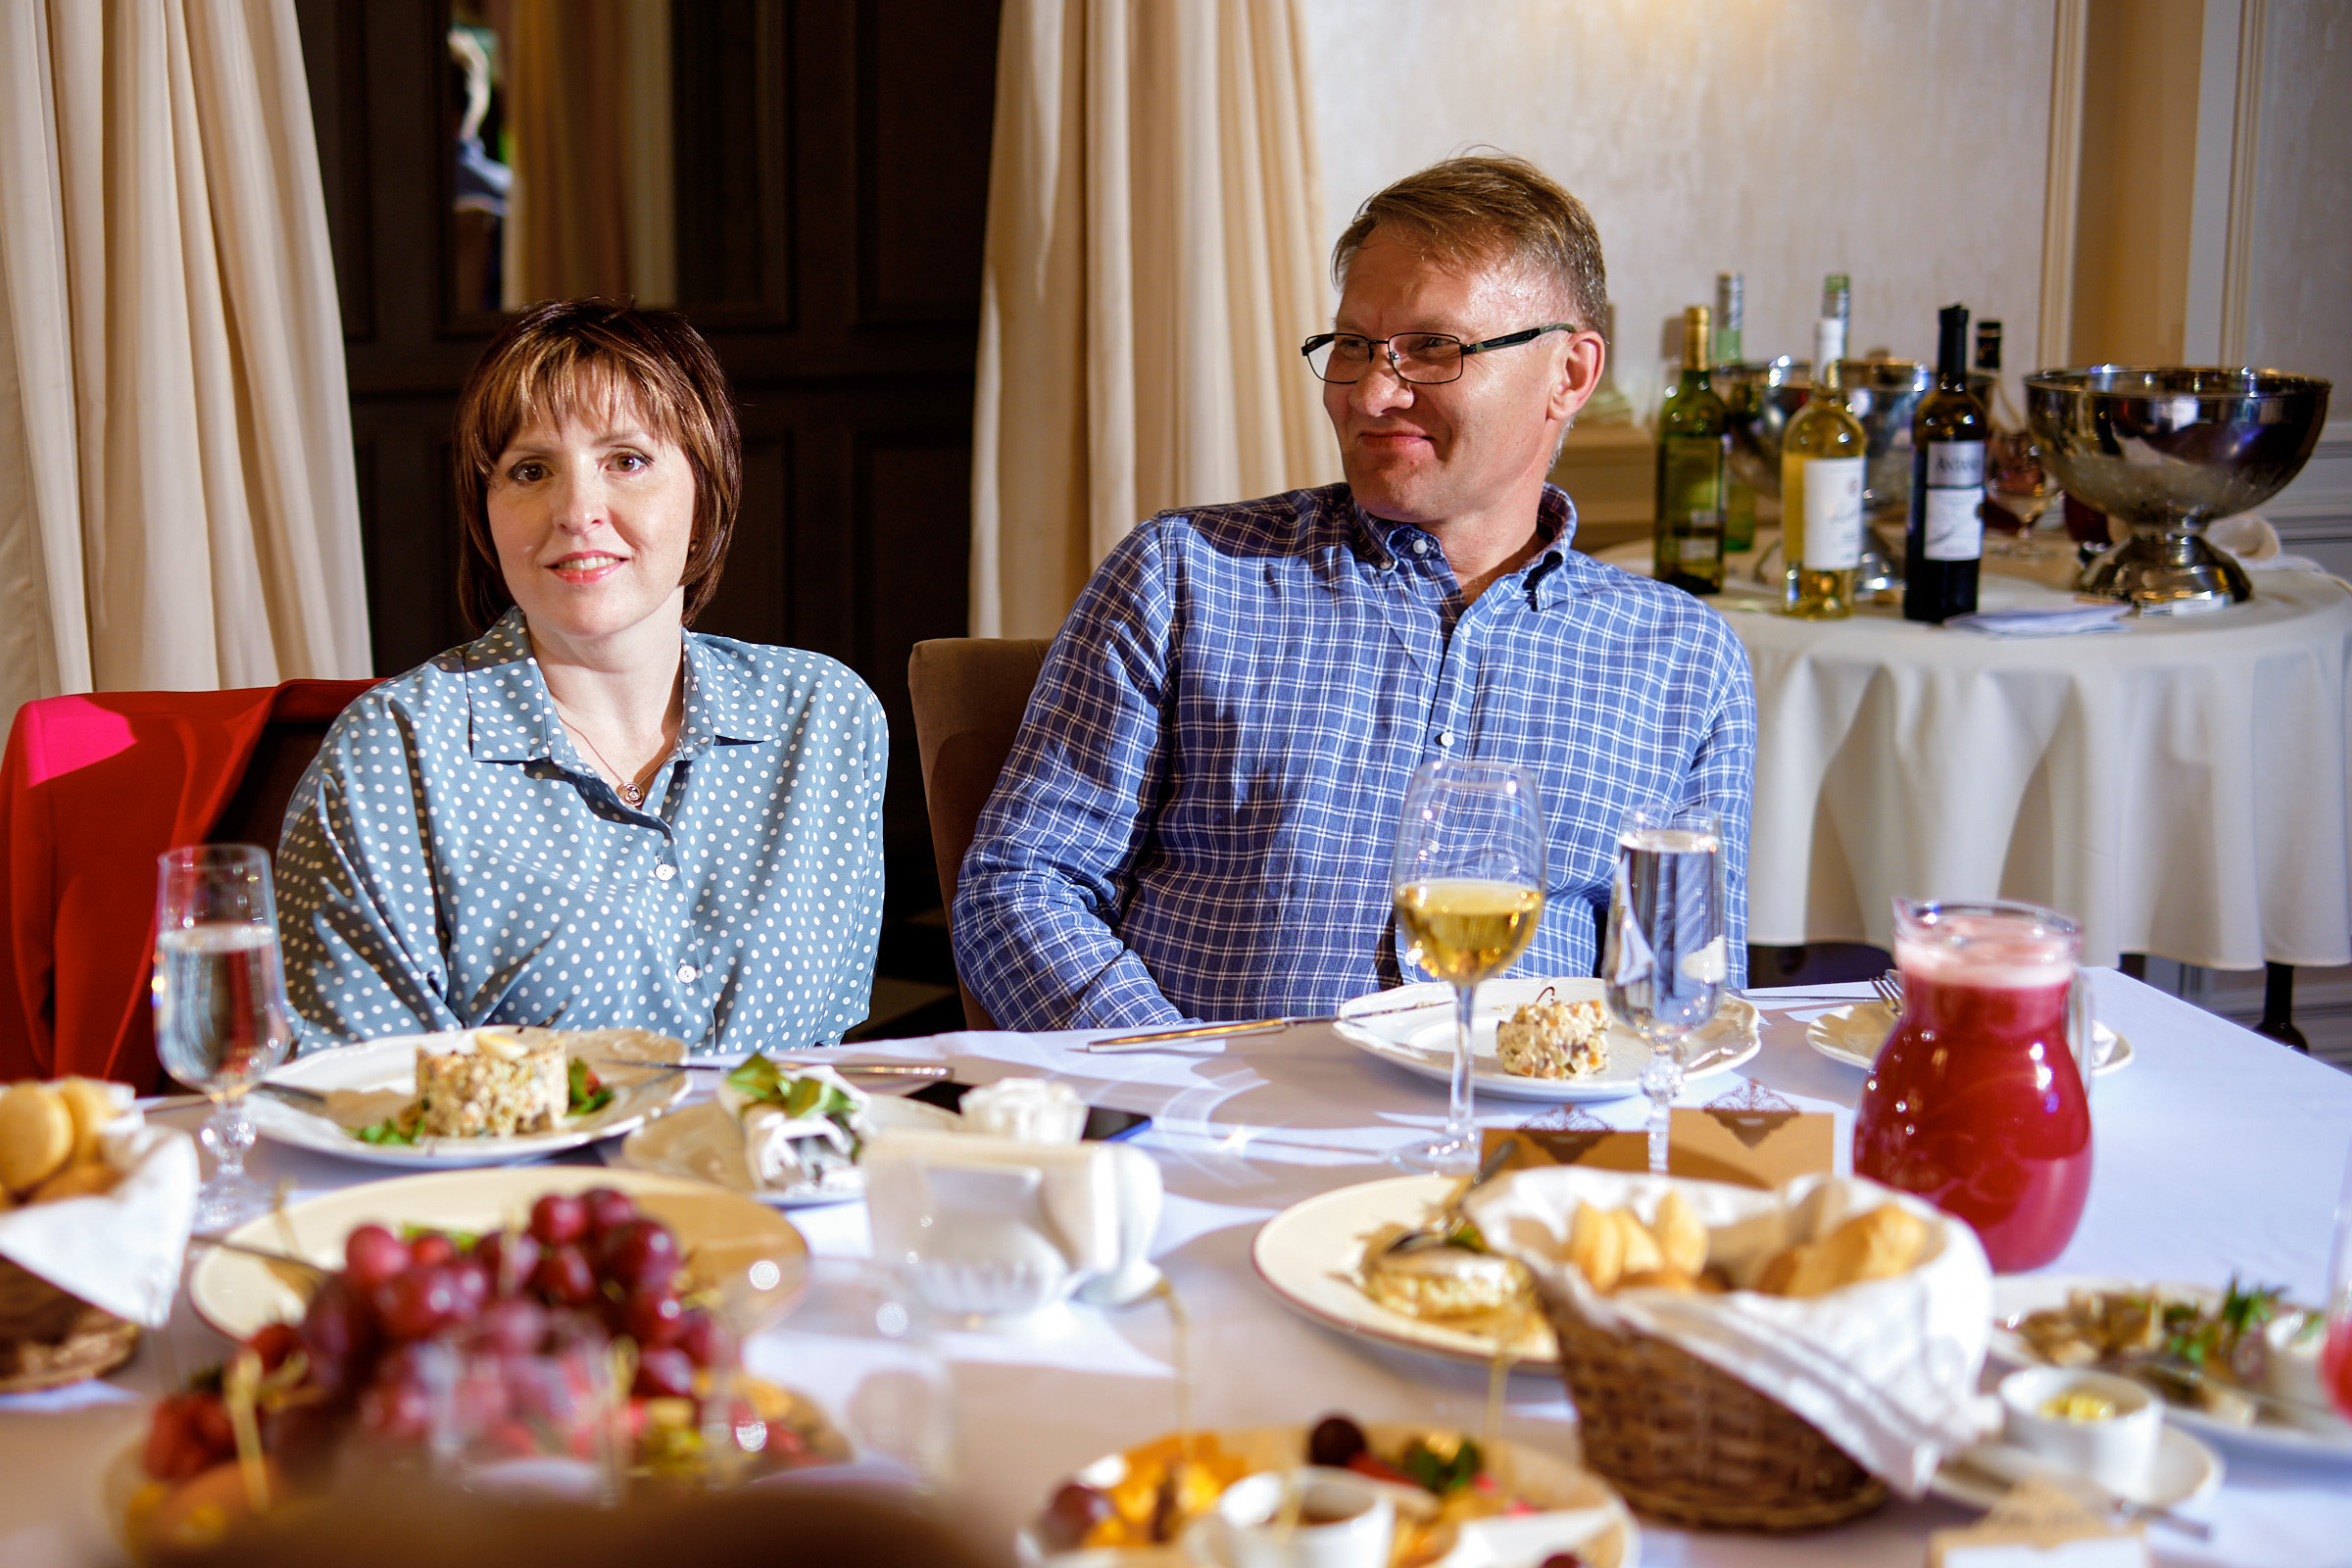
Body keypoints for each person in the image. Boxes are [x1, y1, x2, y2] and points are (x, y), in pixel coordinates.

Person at [953, 155, 1755, 1030]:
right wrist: (1183, 1085)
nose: (1373, 393)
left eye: (1433, 350)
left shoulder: (1684, 659)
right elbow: (1019, 887)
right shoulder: (1186, 574)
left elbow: (1685, 996)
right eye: (1354, 347)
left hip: (1524, 1139)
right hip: (1210, 1138)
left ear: (1569, 375)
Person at [277, 300, 886, 1054]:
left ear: (707, 488)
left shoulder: (825, 718)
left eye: (626, 460)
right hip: (511, 1174)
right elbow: (363, 1094)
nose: (577, 510)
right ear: (486, 514)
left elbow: (825, 1053)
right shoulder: (391, 757)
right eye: (532, 471)